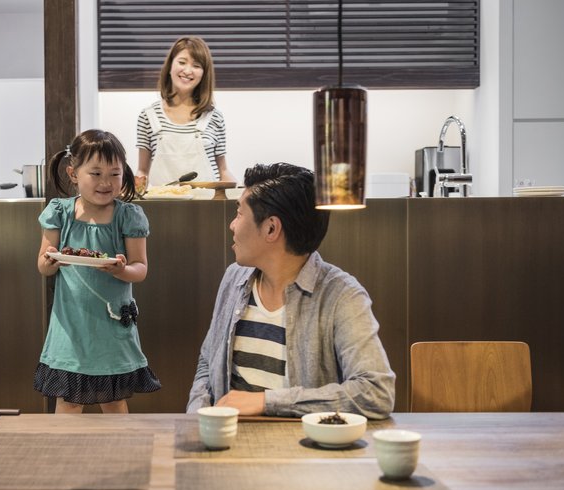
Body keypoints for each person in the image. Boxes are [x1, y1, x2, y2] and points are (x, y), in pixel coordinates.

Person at [186, 163, 395, 419]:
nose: (232, 225)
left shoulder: (342, 295)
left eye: (239, 214)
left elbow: (376, 391)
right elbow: (208, 361)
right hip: (228, 441)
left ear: (271, 229)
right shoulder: (234, 278)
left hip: (307, 449)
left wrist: (266, 402)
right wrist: (197, 417)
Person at [35, 129, 161, 413]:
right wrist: (51, 261)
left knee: (114, 400)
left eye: (114, 174)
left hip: (111, 325)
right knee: (68, 401)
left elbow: (140, 269)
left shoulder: (127, 215)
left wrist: (120, 270)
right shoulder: (60, 212)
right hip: (70, 327)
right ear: (73, 173)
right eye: (96, 173)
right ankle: (66, 459)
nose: (106, 182)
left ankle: (120, 457)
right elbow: (43, 265)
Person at [136, 36, 235, 187]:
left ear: (204, 74)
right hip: (161, 206)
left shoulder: (214, 117)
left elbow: (223, 170)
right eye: (182, 62)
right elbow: (142, 171)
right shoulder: (148, 116)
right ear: (170, 66)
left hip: (207, 206)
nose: (187, 71)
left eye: (196, 65)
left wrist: (242, 194)